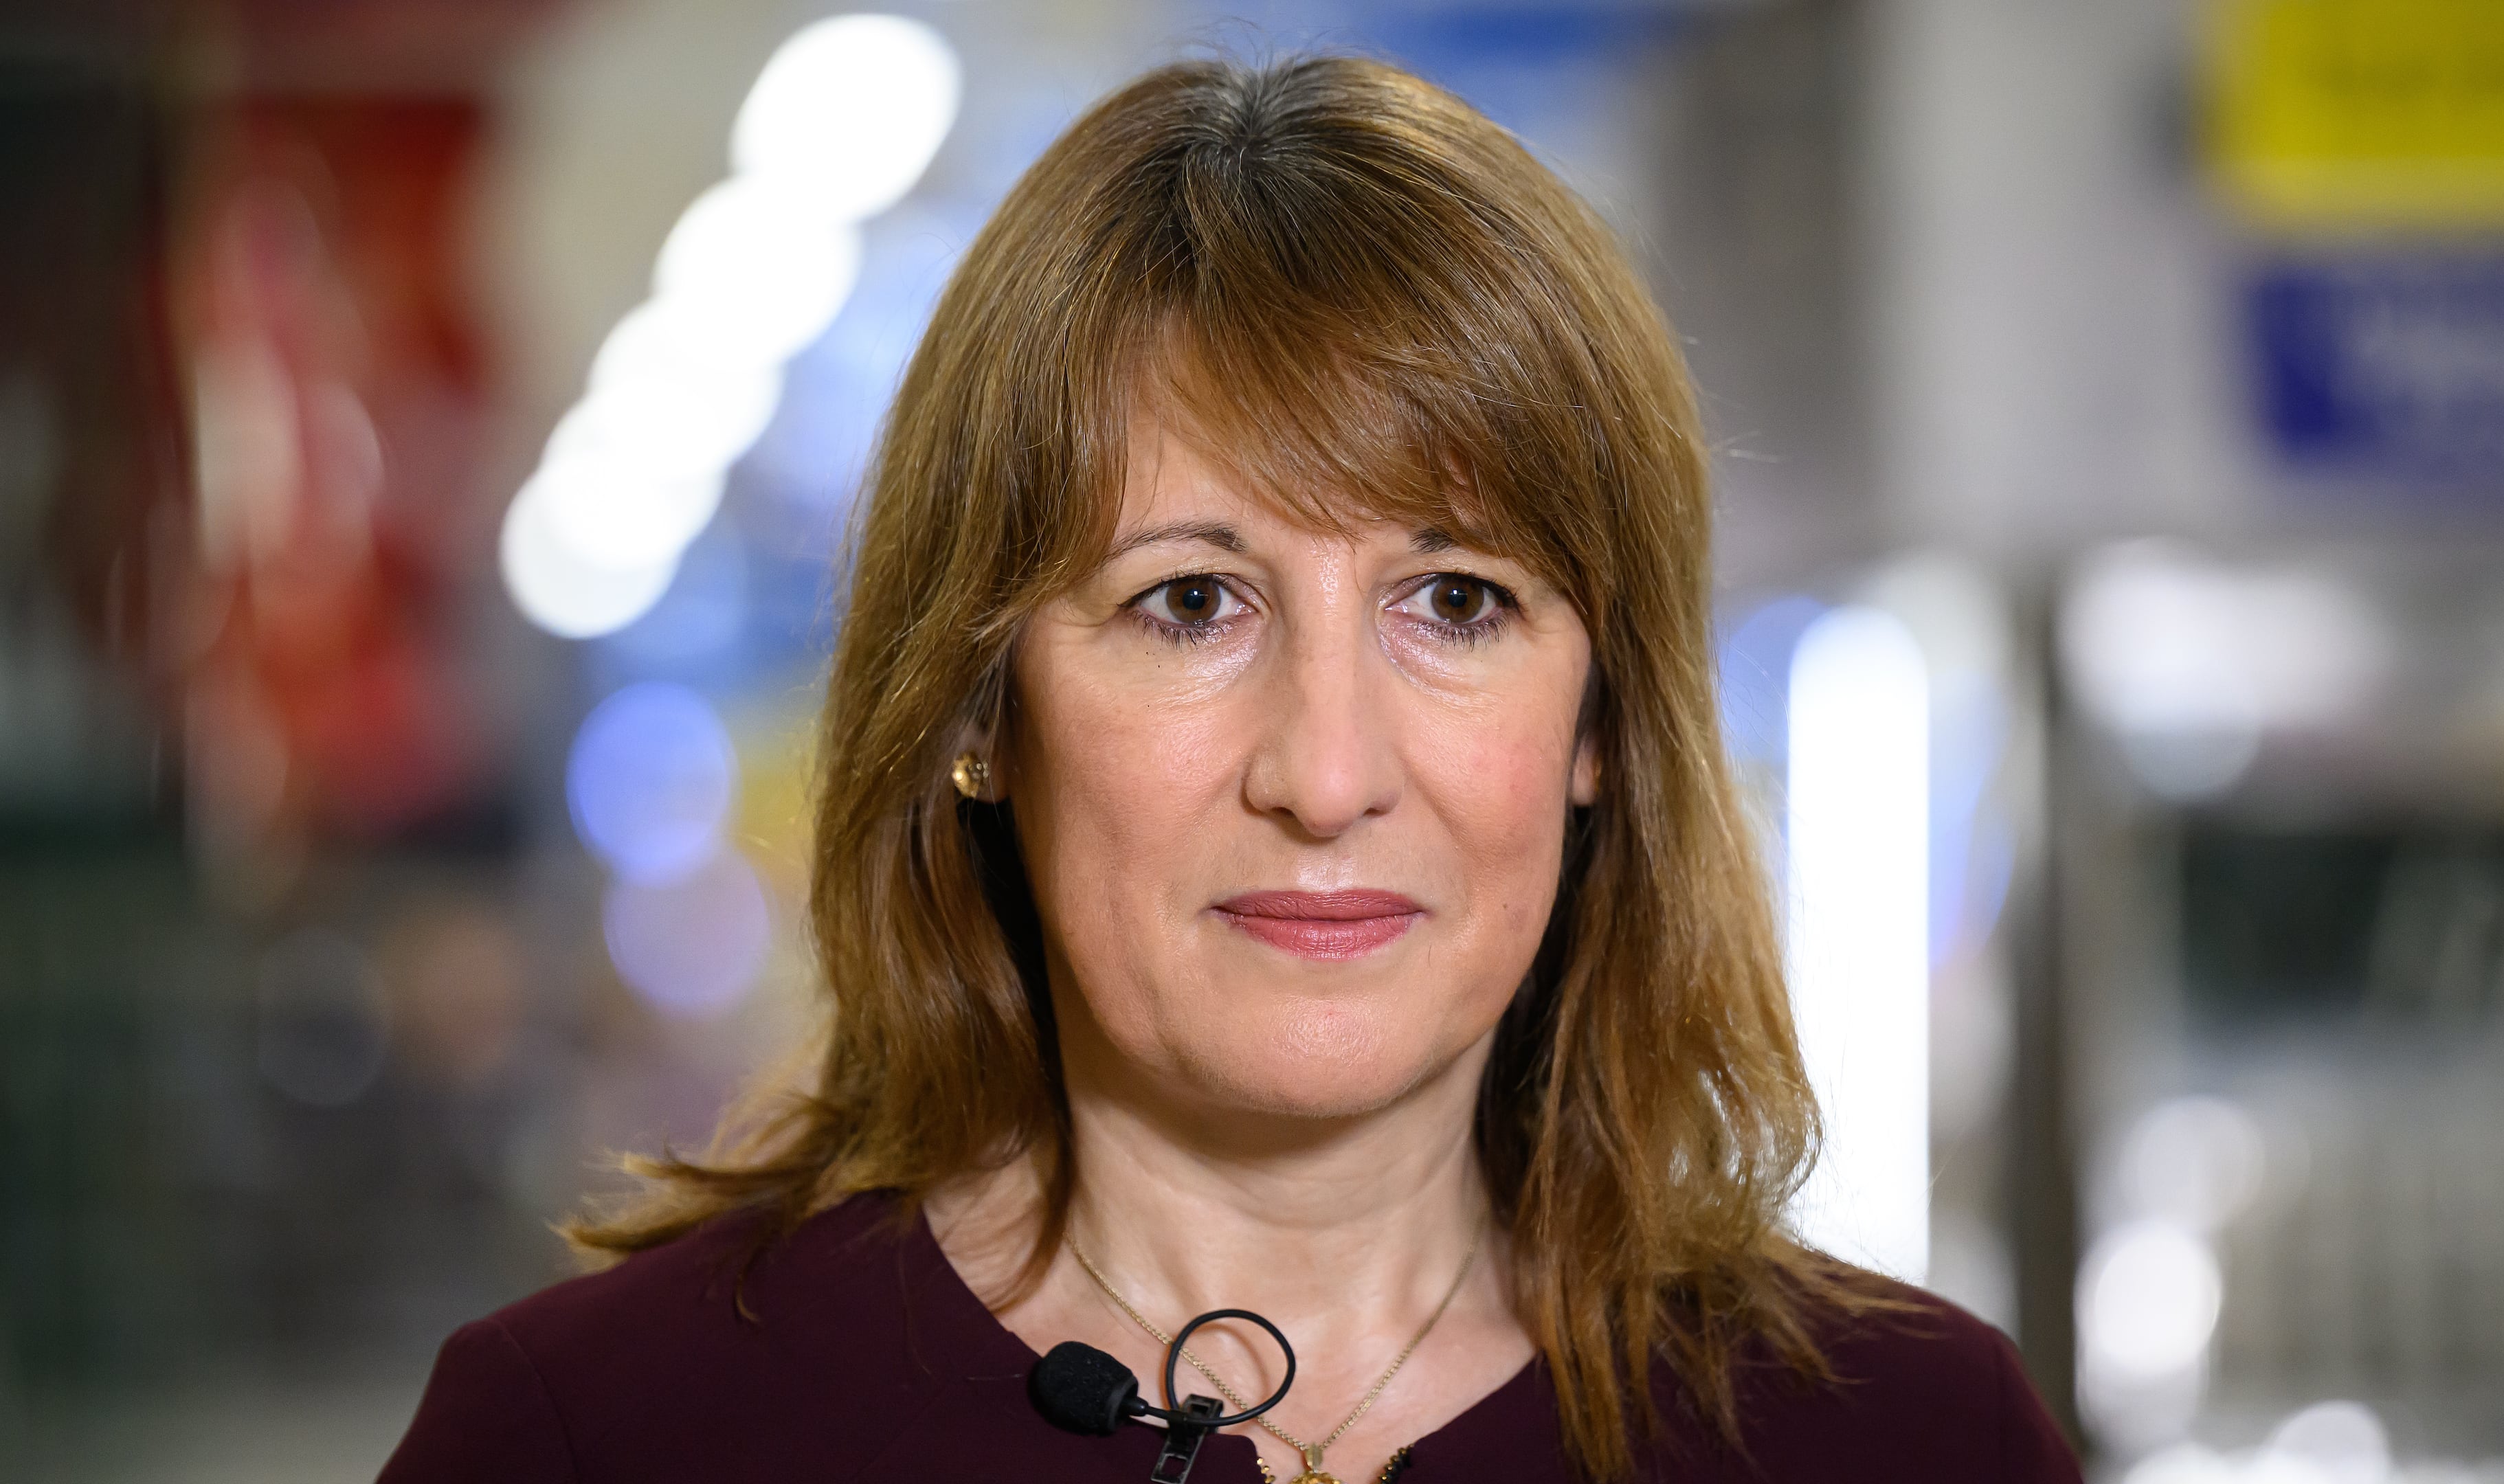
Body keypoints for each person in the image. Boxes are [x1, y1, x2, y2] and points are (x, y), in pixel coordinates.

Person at [382, 54, 2080, 1484]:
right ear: (979, 716)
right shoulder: (600, 1440)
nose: (1327, 775)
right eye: (1190, 602)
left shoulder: (1914, 1443)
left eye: (1457, 602)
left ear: (1599, 729)